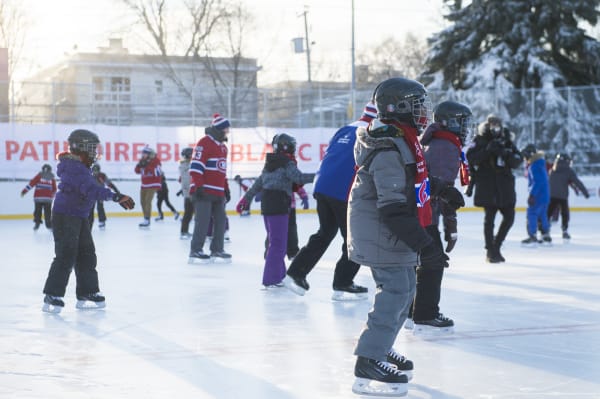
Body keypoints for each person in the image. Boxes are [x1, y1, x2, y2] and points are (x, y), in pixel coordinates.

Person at [348, 78, 453, 396]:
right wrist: (426, 245)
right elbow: (393, 208)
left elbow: (409, 179)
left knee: (405, 290)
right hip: (382, 232)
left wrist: (440, 187)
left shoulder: (402, 140)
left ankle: (382, 346)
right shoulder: (388, 147)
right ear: (399, 108)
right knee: (394, 291)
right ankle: (368, 359)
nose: (425, 113)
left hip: (388, 231)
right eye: (419, 105)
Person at [283, 102, 378, 301]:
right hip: (344, 192)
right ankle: (342, 282)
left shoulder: (346, 128)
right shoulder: (372, 133)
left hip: (323, 186)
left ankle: (296, 272)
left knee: (325, 233)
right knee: (356, 239)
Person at [41, 129, 135, 313]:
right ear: (80, 148)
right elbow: (91, 190)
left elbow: (92, 188)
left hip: (79, 215)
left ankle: (87, 292)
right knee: (66, 255)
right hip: (66, 215)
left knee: (86, 254)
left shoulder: (81, 167)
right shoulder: (74, 168)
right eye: (92, 148)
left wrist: (114, 196)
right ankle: (52, 294)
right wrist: (116, 197)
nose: (95, 152)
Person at [409, 100, 471, 333]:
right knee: (433, 263)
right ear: (450, 122)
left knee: (423, 262)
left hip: (421, 213)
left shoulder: (437, 141)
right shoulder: (446, 146)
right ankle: (425, 314)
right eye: (462, 122)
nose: (466, 128)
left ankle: (413, 311)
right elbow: (443, 191)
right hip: (425, 215)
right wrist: (450, 226)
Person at [236, 133, 314, 289]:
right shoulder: (287, 163)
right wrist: (320, 176)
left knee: (277, 243)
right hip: (279, 204)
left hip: (267, 205)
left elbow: (258, 183)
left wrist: (245, 200)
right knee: (278, 244)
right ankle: (271, 279)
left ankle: (279, 275)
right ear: (287, 146)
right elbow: (298, 178)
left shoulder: (270, 163)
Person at [466, 114, 523, 263]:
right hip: (488, 186)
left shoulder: (507, 140)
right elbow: (471, 158)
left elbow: (518, 161)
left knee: (509, 217)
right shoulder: (480, 139)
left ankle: (496, 245)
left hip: (505, 187)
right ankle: (490, 251)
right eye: (492, 125)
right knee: (489, 219)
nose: (495, 128)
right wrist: (487, 150)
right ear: (487, 125)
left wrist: (504, 153)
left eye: (498, 125)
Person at [188, 113, 232, 263]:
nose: (227, 133)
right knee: (203, 221)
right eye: (226, 130)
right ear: (219, 130)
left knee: (221, 221)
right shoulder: (204, 142)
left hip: (218, 192)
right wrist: (199, 186)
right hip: (204, 191)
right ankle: (196, 250)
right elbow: (195, 167)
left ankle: (217, 249)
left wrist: (226, 188)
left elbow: (221, 171)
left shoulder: (223, 148)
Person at [547, 152, 590, 241]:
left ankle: (544, 230)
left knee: (548, 213)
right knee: (565, 214)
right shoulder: (568, 170)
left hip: (551, 195)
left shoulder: (553, 168)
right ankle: (564, 230)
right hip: (563, 196)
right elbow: (577, 182)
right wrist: (585, 192)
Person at [520, 144, 551, 246]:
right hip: (544, 195)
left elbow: (537, 182)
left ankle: (532, 236)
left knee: (532, 214)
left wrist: (532, 195)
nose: (524, 159)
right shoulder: (540, 163)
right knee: (542, 215)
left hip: (537, 195)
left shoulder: (534, 166)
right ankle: (545, 235)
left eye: (525, 156)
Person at [21, 163, 57, 230]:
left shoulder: (39, 176)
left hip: (38, 198)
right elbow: (54, 189)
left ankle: (37, 224)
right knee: (48, 212)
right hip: (48, 199)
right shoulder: (52, 178)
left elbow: (31, 184)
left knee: (37, 211)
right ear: (50, 170)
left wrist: (24, 191)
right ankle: (49, 225)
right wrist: (52, 196)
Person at [134, 146, 162, 228]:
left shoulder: (156, 161)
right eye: (142, 153)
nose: (143, 155)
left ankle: (147, 219)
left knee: (147, 201)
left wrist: (147, 167)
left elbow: (158, 172)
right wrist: (139, 165)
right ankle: (145, 218)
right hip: (144, 184)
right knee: (142, 202)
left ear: (149, 154)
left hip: (153, 184)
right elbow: (137, 171)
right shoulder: (142, 161)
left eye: (145, 153)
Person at [88, 163, 120, 229]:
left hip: (100, 194)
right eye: (94, 171)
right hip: (92, 194)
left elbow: (109, 183)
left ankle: (102, 221)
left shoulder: (102, 176)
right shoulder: (90, 176)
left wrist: (116, 190)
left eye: (96, 171)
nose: (95, 172)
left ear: (99, 170)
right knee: (91, 208)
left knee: (100, 207)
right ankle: (89, 222)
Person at [178, 147, 194, 239]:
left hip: (189, 192)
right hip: (190, 193)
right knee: (188, 213)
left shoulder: (186, 165)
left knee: (189, 213)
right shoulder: (185, 166)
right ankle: (184, 232)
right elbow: (186, 181)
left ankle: (184, 231)